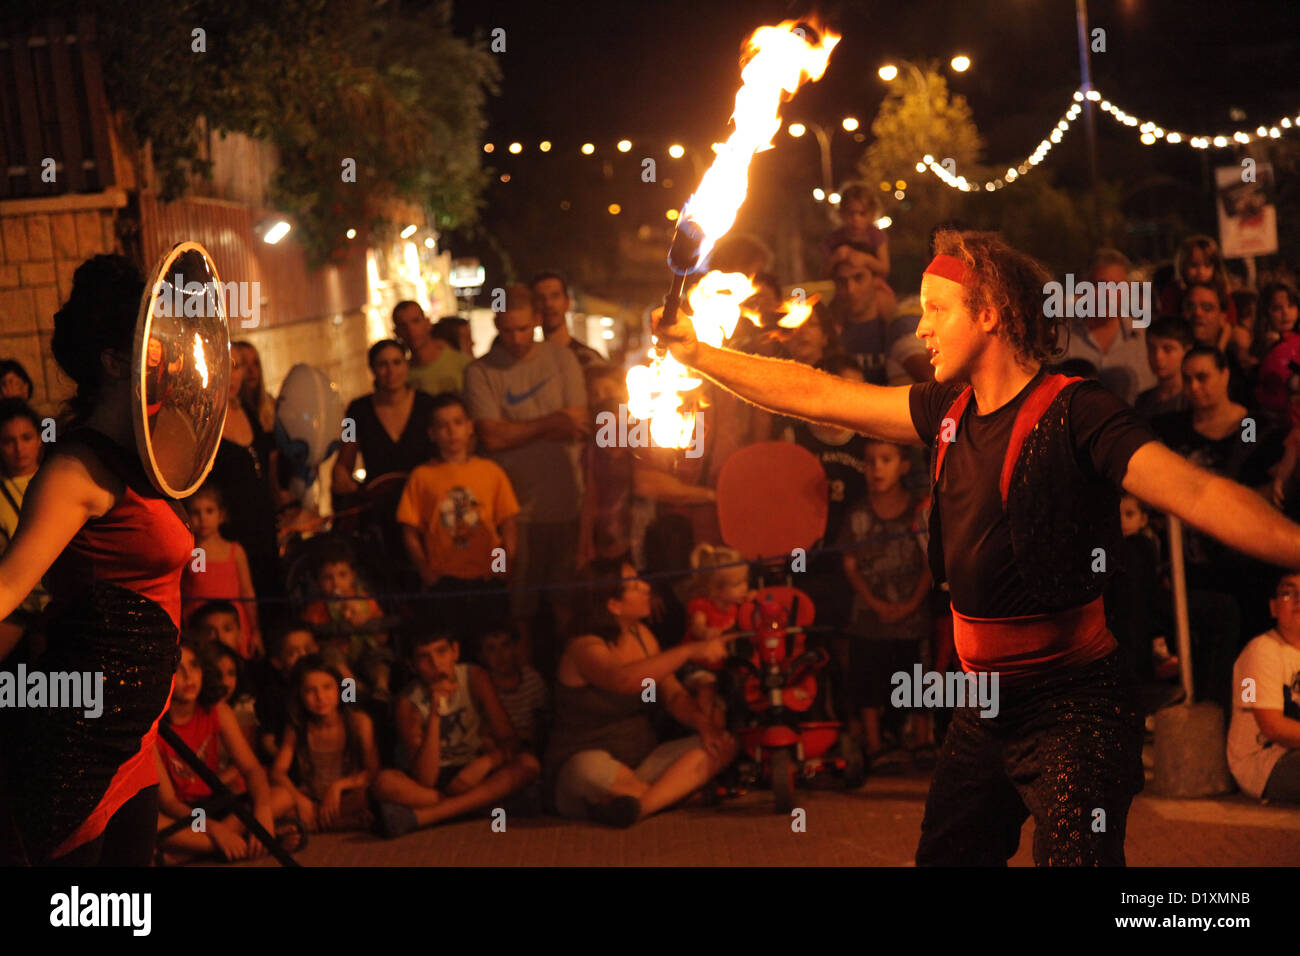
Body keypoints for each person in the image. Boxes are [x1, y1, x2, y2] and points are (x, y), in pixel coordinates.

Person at [653, 228, 1300, 865]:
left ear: (990, 313)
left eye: (937, 310)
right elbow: (824, 396)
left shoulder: (1079, 413)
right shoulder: (944, 410)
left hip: (1075, 706)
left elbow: (1195, 491)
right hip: (983, 704)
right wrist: (701, 356)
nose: (922, 328)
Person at [0, 254, 195, 865]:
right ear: (114, 362)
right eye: (152, 341)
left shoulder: (142, 455)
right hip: (80, 737)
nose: (169, 352)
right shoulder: (73, 471)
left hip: (132, 733)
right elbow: (5, 590)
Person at [543, 561, 738, 827]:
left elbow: (672, 695)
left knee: (721, 744)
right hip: (586, 765)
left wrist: (704, 726)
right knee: (587, 770)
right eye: (635, 586)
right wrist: (689, 651)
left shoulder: (642, 635)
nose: (647, 588)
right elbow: (623, 679)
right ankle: (673, 795)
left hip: (641, 762)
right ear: (613, 605)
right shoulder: (584, 646)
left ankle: (639, 807)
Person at [464, 285, 587, 669]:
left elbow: (578, 424)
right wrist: (552, 421)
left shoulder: (562, 359)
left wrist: (514, 430)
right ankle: (524, 687)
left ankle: (569, 680)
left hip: (565, 504)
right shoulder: (481, 371)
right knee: (519, 611)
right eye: (507, 331)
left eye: (522, 329)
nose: (516, 339)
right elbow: (490, 436)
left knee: (567, 605)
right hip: (512, 514)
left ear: (535, 320)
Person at [372, 630, 541, 836]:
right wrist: (435, 712)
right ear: (412, 665)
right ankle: (481, 805)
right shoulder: (408, 702)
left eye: (441, 652)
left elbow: (508, 739)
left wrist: (484, 763)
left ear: (455, 651)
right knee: (385, 782)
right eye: (424, 657)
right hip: (431, 782)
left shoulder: (474, 677)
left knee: (528, 764)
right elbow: (425, 778)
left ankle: (423, 817)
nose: (436, 663)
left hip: (472, 771)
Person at [154, 642, 296, 862]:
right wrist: (214, 829)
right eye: (177, 669)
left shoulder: (218, 709)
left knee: (282, 796)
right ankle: (243, 842)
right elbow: (169, 803)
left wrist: (263, 812)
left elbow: (251, 768)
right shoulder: (153, 727)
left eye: (194, 666)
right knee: (151, 824)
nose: (188, 675)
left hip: (217, 802)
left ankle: (181, 855)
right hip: (183, 814)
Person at [840, 438, 935, 767]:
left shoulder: (918, 510)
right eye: (870, 461)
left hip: (912, 614)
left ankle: (922, 738)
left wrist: (911, 604)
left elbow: (930, 562)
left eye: (885, 459)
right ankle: (875, 742)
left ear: (904, 466)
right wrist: (875, 603)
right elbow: (850, 564)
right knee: (868, 676)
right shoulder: (858, 514)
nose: (876, 468)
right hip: (869, 615)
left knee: (917, 676)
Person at [396, 391, 519, 638]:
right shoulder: (422, 477)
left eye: (457, 423)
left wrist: (502, 566)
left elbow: (507, 523)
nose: (451, 431)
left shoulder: (490, 472)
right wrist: (426, 572)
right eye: (442, 426)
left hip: (486, 578)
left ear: (469, 427)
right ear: (432, 434)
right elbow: (409, 529)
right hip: (444, 581)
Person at [207, 347, 284, 612]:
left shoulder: (250, 413)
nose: (232, 376)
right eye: (225, 367)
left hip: (263, 530)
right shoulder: (206, 422)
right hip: (229, 534)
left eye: (237, 367)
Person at [270, 655, 380, 832]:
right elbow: (277, 772)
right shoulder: (298, 727)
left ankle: (315, 824)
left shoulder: (358, 721)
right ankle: (332, 823)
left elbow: (372, 771)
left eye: (327, 687)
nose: (320, 697)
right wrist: (299, 798)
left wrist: (338, 786)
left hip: (346, 797)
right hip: (311, 798)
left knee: (371, 793)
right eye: (310, 691)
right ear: (300, 695)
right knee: (280, 801)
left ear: (339, 689)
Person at [1227, 570, 1300, 803]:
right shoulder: (1261, 651)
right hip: (1264, 762)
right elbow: (1272, 727)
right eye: (1288, 593)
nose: (1299, 599)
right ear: (1273, 607)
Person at [1057, 249, 1156, 406]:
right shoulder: (1061, 337)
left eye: (1117, 286)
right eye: (1100, 285)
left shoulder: (1144, 339)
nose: (1108, 294)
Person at [181, 483, 262, 657]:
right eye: (196, 512)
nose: (203, 518)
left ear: (221, 515)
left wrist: (255, 630)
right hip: (202, 627)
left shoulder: (234, 550)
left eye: (209, 511)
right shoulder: (194, 552)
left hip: (232, 626)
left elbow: (247, 592)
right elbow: (193, 587)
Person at [680, 543, 754, 729]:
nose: (744, 588)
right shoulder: (702, 605)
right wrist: (706, 632)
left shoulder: (736, 605)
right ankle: (701, 725)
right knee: (707, 689)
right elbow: (697, 627)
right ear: (716, 590)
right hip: (697, 664)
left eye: (745, 581)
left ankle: (718, 736)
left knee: (721, 706)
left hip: (721, 667)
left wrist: (754, 601)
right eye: (737, 584)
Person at [0, 398, 49, 656]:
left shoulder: (57, 480)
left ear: (39, 439)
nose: (19, 448)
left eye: (26, 437)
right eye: (9, 441)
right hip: (18, 605)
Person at [479, 625, 550, 749]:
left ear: (515, 647)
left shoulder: (532, 679)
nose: (500, 655)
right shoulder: (482, 686)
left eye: (505, 646)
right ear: (482, 656)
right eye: (491, 649)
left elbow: (544, 720)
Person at [392, 300, 471, 397]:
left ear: (428, 323)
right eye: (403, 325)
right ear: (396, 332)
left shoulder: (462, 364)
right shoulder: (402, 375)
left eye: (416, 321)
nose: (410, 329)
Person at [531, 271, 607, 369]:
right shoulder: (531, 362)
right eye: (540, 298)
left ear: (567, 303)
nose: (548, 304)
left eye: (555, 296)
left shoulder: (588, 359)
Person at [1133, 316, 1194, 422]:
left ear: (1187, 351)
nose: (1158, 357)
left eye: (1168, 349)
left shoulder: (1193, 399)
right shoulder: (1143, 401)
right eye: (1152, 349)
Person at [231, 341, 276, 435]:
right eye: (244, 363)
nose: (251, 371)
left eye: (255, 363)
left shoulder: (273, 406)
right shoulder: (232, 414)